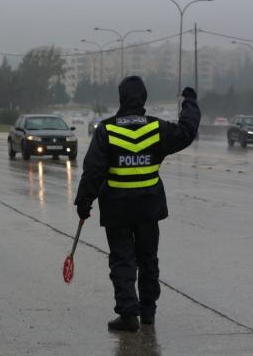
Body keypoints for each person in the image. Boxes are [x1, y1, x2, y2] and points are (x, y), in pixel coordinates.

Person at [74, 76, 200, 332]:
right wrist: (190, 103)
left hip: (117, 210)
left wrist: (84, 202)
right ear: (144, 99)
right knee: (148, 259)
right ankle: (148, 312)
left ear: (121, 98)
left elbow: (94, 170)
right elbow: (187, 132)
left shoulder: (107, 130)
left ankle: (128, 315)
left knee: (122, 261)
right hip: (148, 209)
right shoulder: (157, 128)